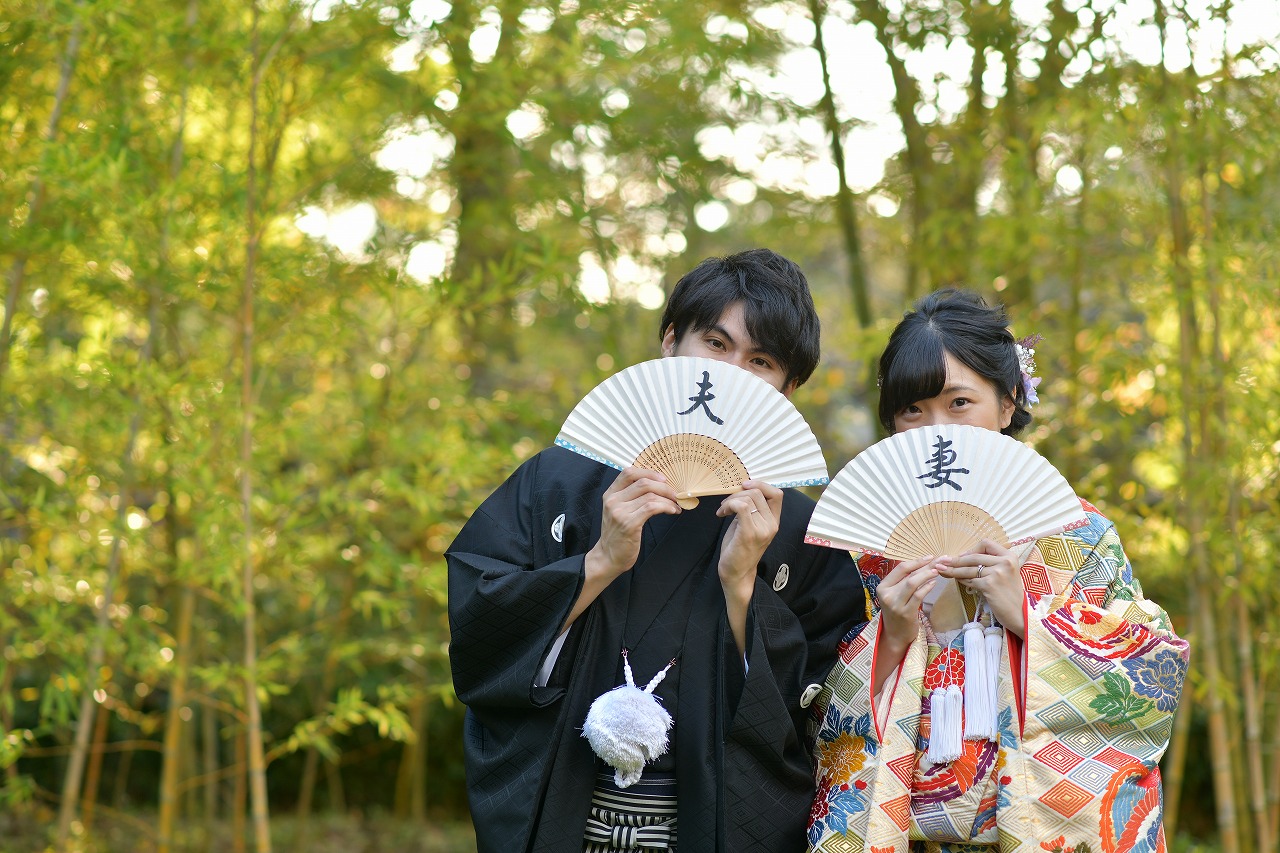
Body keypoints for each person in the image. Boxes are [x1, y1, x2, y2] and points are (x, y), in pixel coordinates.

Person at [448, 248, 867, 853]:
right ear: (670, 342)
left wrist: (741, 588)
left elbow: (818, 709)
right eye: (716, 344)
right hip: (565, 812)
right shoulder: (558, 482)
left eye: (760, 362)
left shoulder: (799, 530)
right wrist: (599, 563)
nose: (731, 375)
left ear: (789, 388)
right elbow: (480, 629)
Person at [807, 289, 1188, 853]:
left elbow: (1149, 675)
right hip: (910, 832)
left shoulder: (1077, 534)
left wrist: (1028, 618)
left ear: (1008, 404)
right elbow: (814, 701)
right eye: (913, 410)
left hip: (1033, 824)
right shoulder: (868, 545)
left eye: (959, 403)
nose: (936, 428)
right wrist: (891, 638)